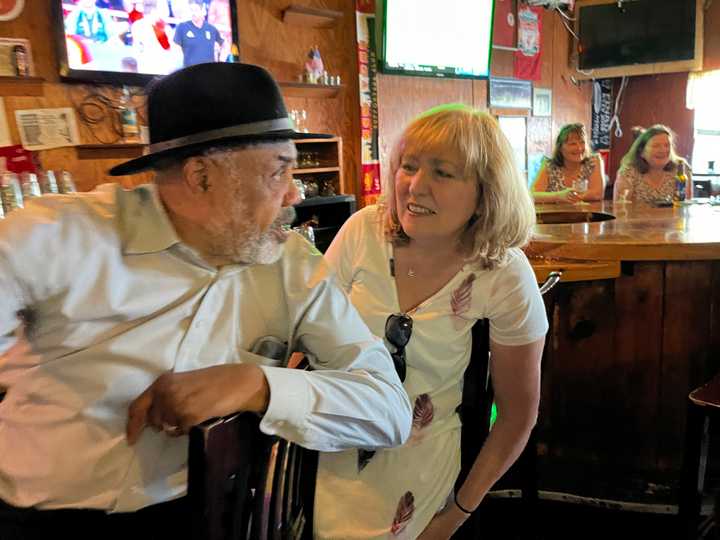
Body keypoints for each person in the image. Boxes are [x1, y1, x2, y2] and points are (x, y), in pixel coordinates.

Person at [0, 62, 412, 540]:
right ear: (201, 176)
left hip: (202, 517)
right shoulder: (61, 238)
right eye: (279, 170)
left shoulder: (290, 265)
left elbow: (389, 409)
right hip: (37, 516)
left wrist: (256, 385)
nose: (293, 193)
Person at [314, 104, 548, 539]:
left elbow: (517, 414)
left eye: (443, 173)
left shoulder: (504, 273)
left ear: (486, 192)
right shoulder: (363, 231)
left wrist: (455, 515)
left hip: (419, 453)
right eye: (409, 166)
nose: (415, 186)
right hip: (326, 442)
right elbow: (304, 335)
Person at [613, 124, 692, 204]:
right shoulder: (628, 171)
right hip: (638, 216)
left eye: (667, 145)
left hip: (674, 216)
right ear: (641, 152)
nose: (663, 150)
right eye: (656, 146)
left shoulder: (680, 168)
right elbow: (620, 208)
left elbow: (686, 205)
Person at [531, 123, 605, 203]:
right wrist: (559, 196)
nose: (579, 148)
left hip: (586, 215)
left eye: (582, 142)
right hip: (555, 215)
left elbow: (598, 194)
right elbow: (532, 196)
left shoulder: (593, 161)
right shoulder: (549, 165)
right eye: (573, 144)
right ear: (560, 148)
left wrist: (572, 196)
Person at [173, 0, 223, 67]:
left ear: (203, 10)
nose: (193, 13)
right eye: (191, 10)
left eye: (196, 10)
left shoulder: (212, 29)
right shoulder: (182, 27)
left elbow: (222, 45)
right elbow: (176, 51)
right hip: (189, 72)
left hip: (210, 72)